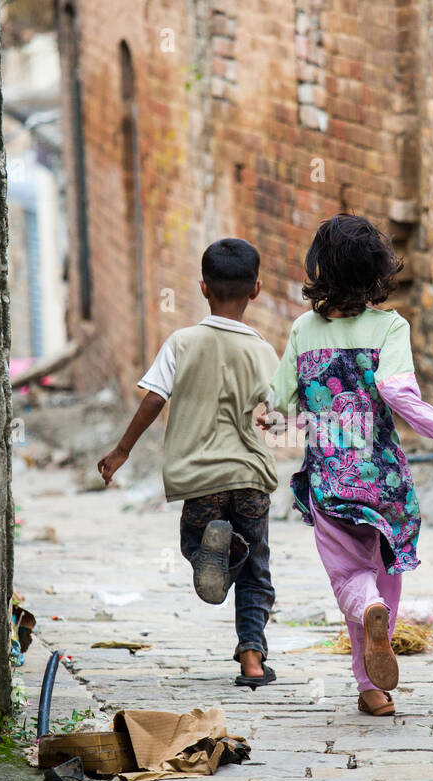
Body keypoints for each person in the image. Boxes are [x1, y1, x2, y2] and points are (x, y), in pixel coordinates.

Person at [264, 214, 433, 716]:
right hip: (385, 478)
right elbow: (395, 390)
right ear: (378, 274)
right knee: (386, 572)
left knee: (350, 575)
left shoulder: (304, 329)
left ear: (319, 269)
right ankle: (373, 684)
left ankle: (368, 647)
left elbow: (275, 400)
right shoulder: (391, 326)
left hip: (331, 477)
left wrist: (260, 419)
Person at [97, 238, 281, 687]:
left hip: (200, 479)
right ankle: (253, 661)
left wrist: (123, 450)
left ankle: (209, 553)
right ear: (256, 290)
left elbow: (155, 398)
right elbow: (277, 415)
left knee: (194, 545)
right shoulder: (261, 350)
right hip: (250, 475)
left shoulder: (182, 342)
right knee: (256, 567)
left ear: (203, 287)